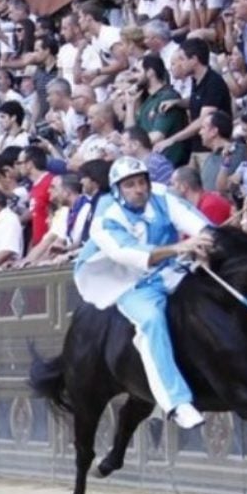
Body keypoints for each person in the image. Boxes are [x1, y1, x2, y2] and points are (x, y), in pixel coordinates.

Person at [73, 157, 214, 429]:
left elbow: (195, 222)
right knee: (150, 320)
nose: (139, 189)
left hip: (171, 270)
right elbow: (127, 254)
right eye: (130, 185)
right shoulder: (105, 217)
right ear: (117, 190)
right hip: (130, 282)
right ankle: (176, 403)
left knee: (215, 288)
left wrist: (207, 240)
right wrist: (179, 249)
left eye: (141, 182)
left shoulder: (161, 195)